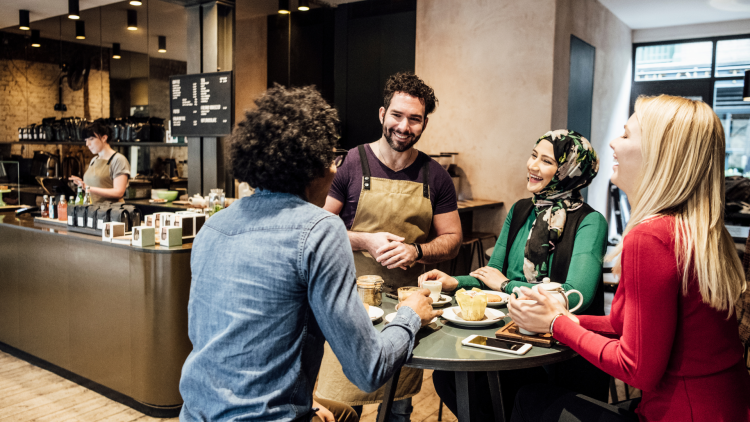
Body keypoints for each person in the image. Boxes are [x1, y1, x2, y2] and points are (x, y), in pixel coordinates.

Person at [178, 84, 442, 422]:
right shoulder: (319, 229)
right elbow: (369, 369)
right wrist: (411, 316)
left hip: (197, 412)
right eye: (330, 158)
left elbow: (232, 340)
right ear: (310, 165)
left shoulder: (213, 227)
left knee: (343, 414)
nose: (335, 169)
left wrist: (306, 400)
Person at [509, 95, 750, 422]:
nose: (612, 143)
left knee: (529, 399)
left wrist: (557, 323)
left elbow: (636, 369)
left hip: (680, 412)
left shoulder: (649, 237)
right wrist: (560, 316)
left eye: (625, 135)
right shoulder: (695, 225)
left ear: (658, 155)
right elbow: (630, 326)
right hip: (724, 408)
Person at [419, 130, 608, 420]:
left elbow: (575, 296)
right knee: (448, 379)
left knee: (503, 391)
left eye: (546, 161)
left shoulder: (590, 221)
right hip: (510, 333)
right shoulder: (521, 210)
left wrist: (506, 285)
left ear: (570, 170)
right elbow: (489, 275)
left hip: (558, 350)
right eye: (533, 155)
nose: (532, 166)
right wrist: (455, 281)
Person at [317, 73, 462, 420]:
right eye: (397, 115)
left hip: (405, 305)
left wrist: (418, 251)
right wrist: (365, 239)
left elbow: (453, 239)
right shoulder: (352, 163)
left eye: (414, 119)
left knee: (397, 408)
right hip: (348, 304)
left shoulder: (435, 176)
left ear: (424, 123)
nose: (404, 126)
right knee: (341, 406)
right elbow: (319, 227)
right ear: (382, 114)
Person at [69, 119, 130, 203]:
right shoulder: (94, 160)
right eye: (86, 140)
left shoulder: (118, 160)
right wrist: (82, 185)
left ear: (104, 138)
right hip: (93, 211)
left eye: (91, 139)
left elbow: (119, 192)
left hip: (111, 212)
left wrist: (88, 188)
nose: (87, 144)